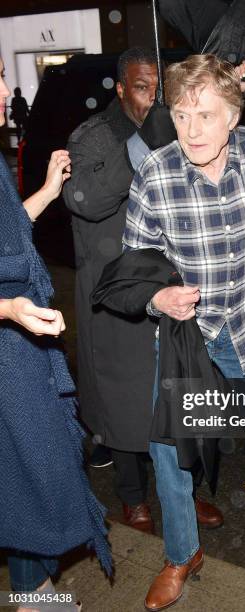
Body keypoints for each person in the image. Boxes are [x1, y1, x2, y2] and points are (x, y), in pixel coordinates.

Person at [123, 53, 245, 611]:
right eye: (181, 116)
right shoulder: (156, 174)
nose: (192, 130)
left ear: (234, 115)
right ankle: (182, 553)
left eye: (205, 115)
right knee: (168, 450)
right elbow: (135, 265)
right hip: (190, 336)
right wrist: (156, 295)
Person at [63, 47, 223, 533]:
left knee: (173, 394)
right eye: (141, 86)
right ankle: (133, 495)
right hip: (114, 291)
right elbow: (84, 200)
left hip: (164, 285)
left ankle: (183, 494)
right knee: (122, 400)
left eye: (159, 88)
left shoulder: (179, 131)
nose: (152, 97)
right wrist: (141, 145)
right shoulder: (94, 136)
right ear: (119, 89)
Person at [0, 58, 111, 611]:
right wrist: (8, 308)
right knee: (23, 470)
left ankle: (33, 586)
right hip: (6, 340)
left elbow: (6, 236)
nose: (5, 90)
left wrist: (45, 190)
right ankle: (33, 590)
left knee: (28, 467)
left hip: (14, 348)